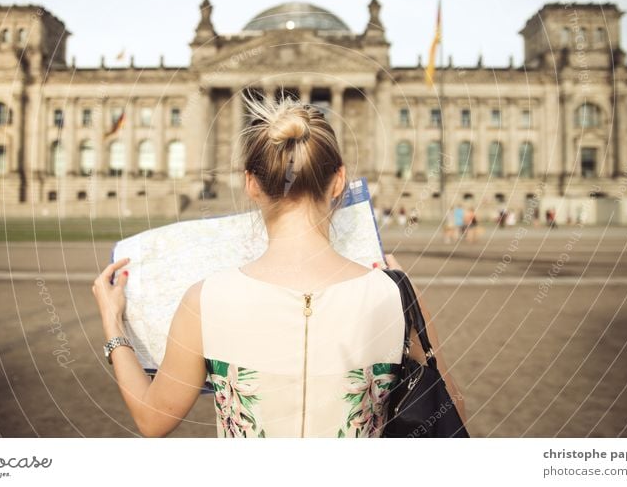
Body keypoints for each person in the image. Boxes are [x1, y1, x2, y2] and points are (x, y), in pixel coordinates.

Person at [91, 94, 466, 438]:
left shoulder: (205, 300)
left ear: (251, 184)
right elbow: (449, 412)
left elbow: (152, 418)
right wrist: (401, 290)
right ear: (338, 182)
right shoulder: (395, 295)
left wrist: (113, 324)